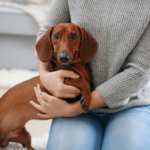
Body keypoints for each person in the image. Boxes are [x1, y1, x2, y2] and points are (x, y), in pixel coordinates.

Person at [30, 0, 150, 149]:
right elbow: (48, 31)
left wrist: (73, 109)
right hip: (75, 98)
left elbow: (139, 71)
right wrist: (45, 75)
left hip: (130, 103)